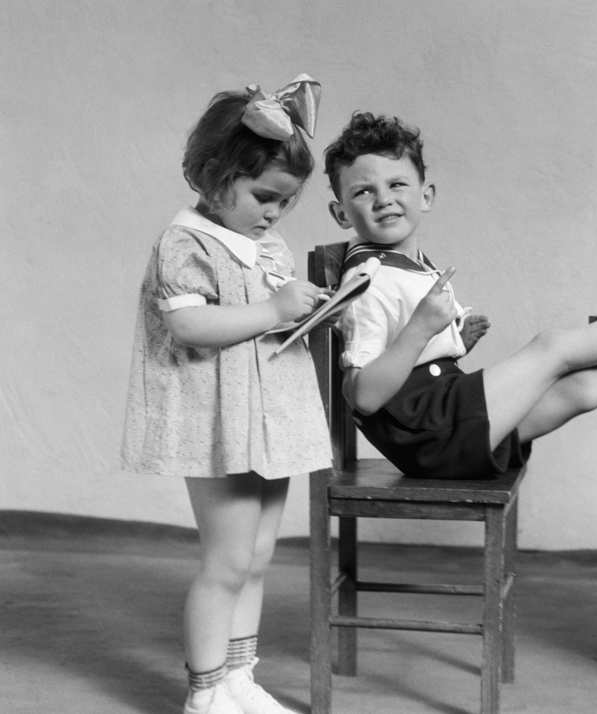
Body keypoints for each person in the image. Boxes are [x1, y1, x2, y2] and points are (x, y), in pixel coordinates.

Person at [324, 111, 597, 480]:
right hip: (429, 430)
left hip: (435, 424)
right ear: (341, 213)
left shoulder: (407, 263)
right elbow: (362, 396)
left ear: (427, 195)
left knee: (585, 389)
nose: (384, 199)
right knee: (553, 347)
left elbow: (411, 351)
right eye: (364, 191)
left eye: (397, 184)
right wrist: (423, 328)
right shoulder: (367, 282)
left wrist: (455, 339)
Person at [121, 75, 331, 714]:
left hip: (267, 419)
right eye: (265, 196)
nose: (274, 213)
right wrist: (273, 308)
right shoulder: (184, 243)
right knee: (227, 558)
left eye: (286, 204)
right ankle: (205, 692)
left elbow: (269, 316)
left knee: (258, 556)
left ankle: (239, 678)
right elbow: (189, 325)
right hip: (220, 420)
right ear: (216, 176)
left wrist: (311, 312)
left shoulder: (265, 243)